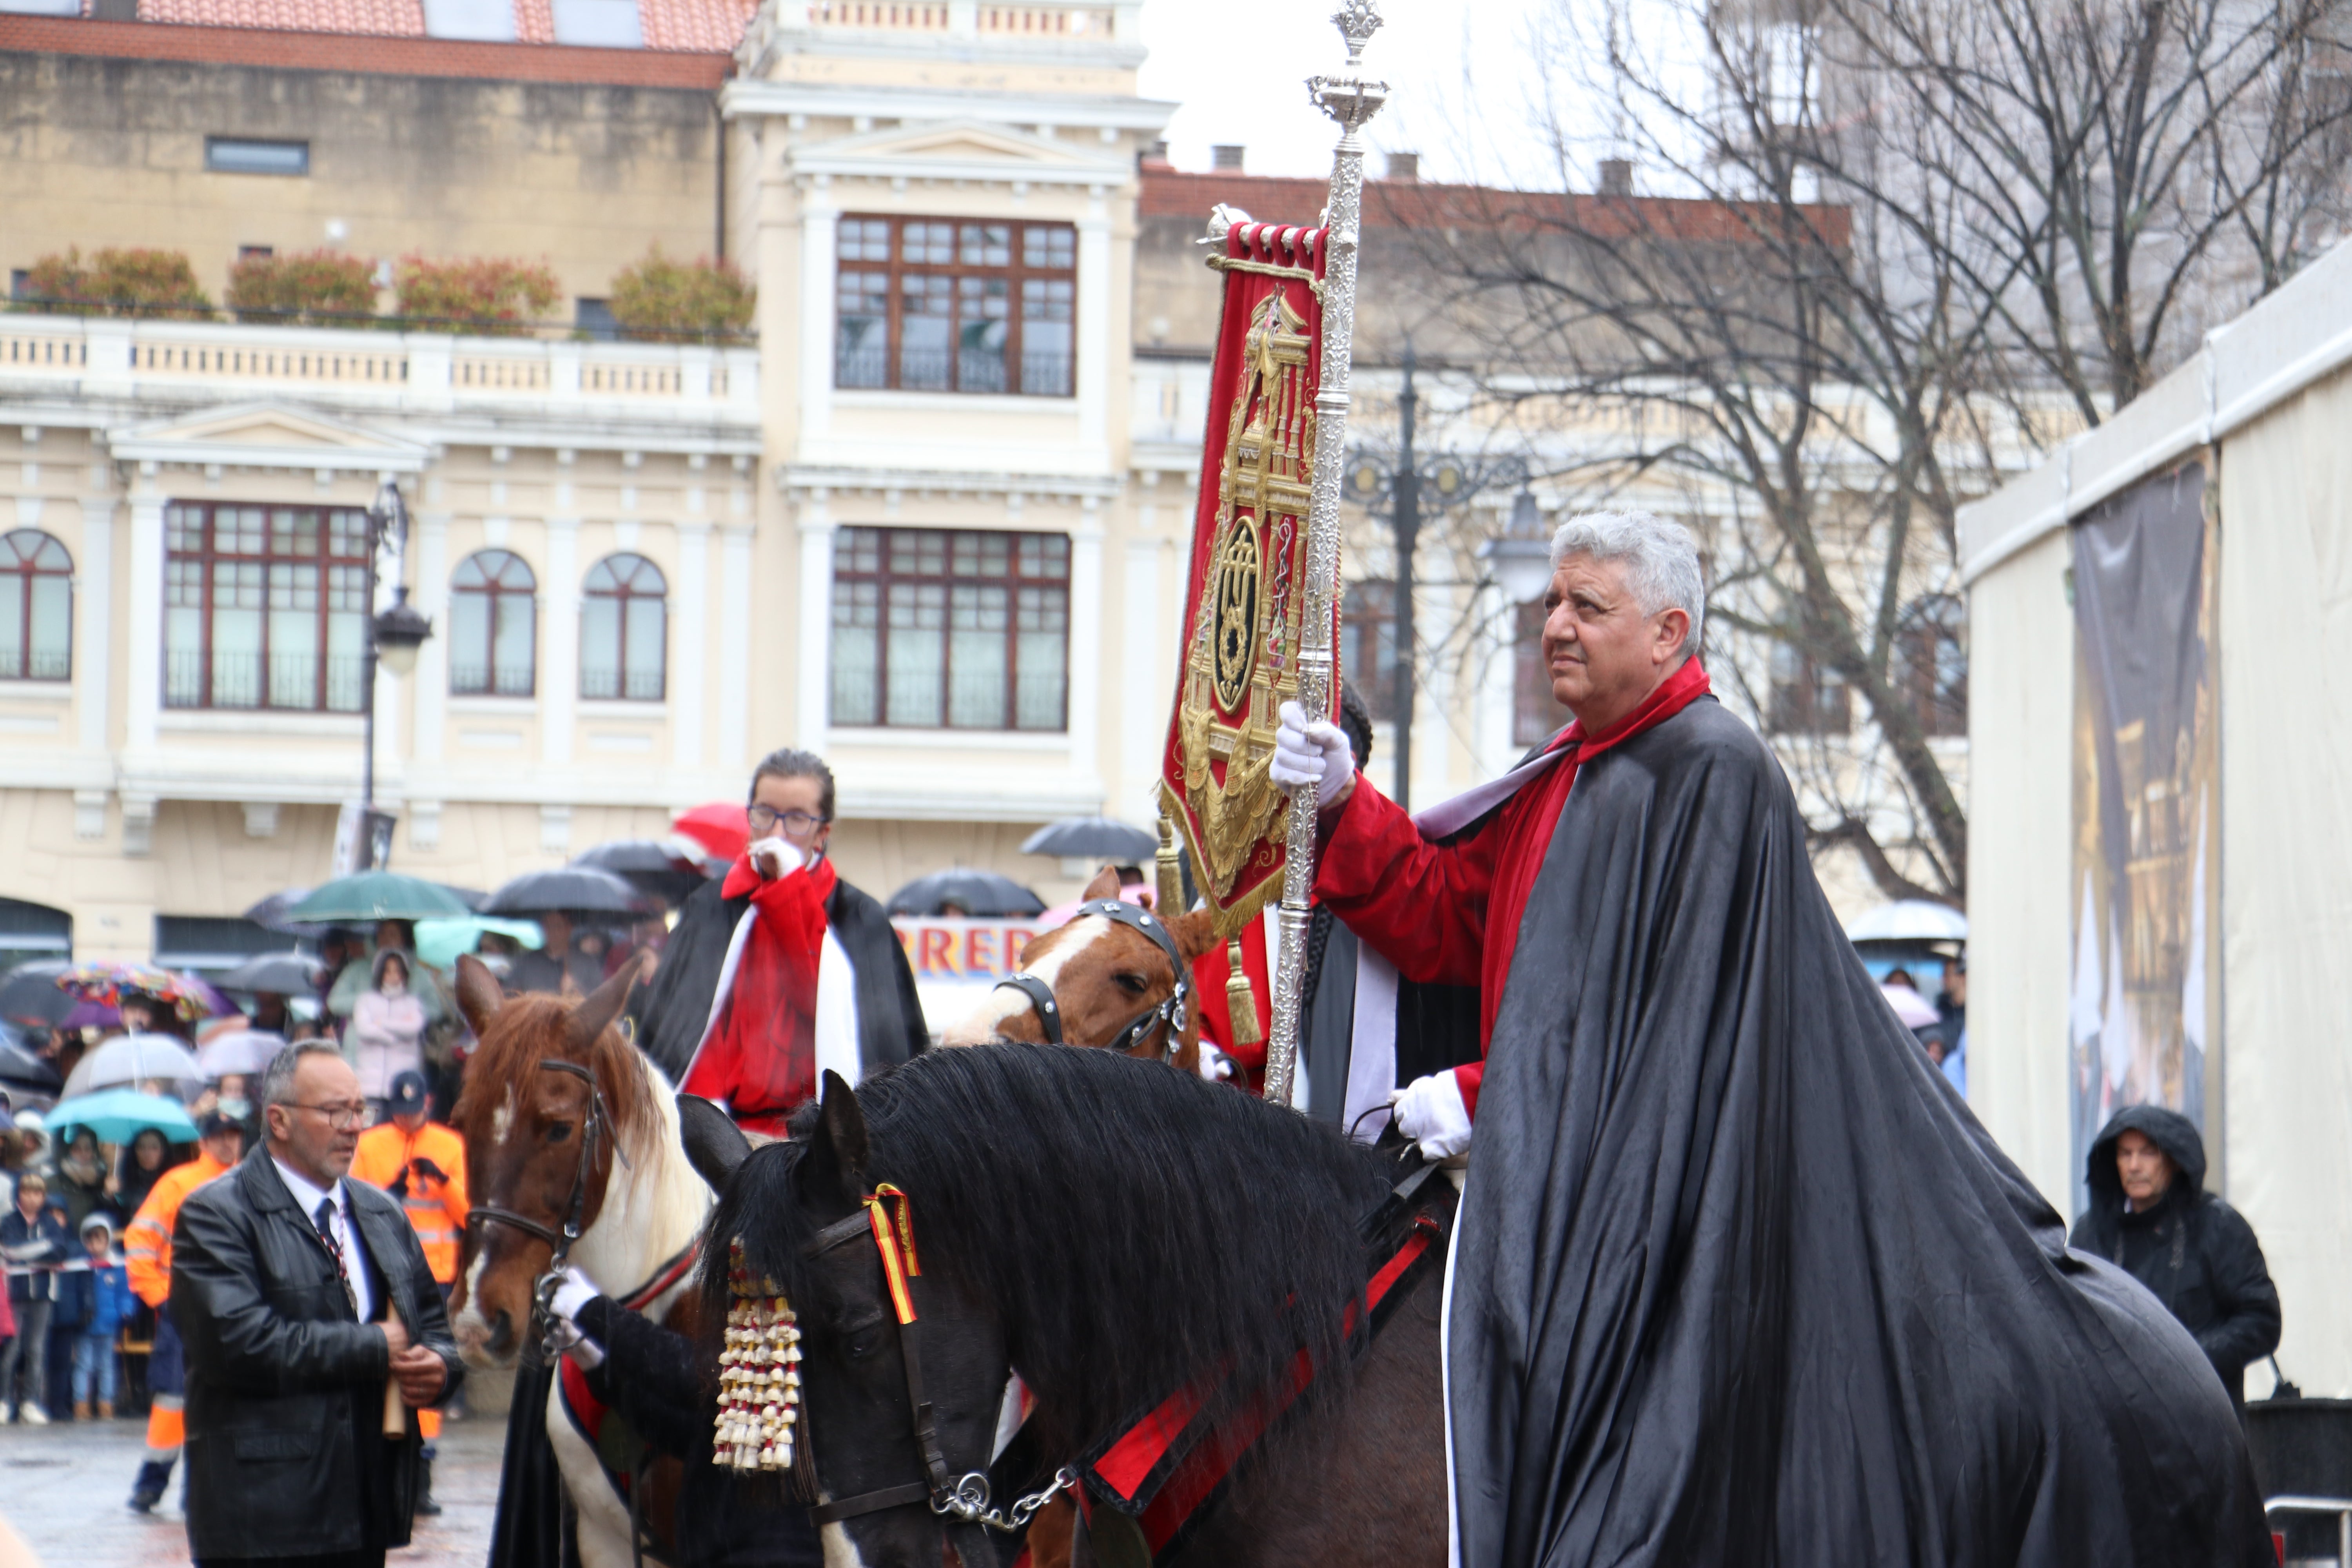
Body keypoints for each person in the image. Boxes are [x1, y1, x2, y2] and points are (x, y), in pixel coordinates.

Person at [1270, 508, 2269, 1563]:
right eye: (1552, 602)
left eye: (1586, 606)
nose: (1555, 624)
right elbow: (1448, 915)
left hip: (1687, 1199)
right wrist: (1345, 802)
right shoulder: (1566, 774)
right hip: (1570, 1164)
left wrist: (1487, 1092)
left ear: (1668, 633)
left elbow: (1661, 1022)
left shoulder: (1714, 768)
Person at [172, 1042, 462, 1568]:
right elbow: (239, 1346)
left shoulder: (382, 1213)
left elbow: (434, 1330)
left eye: (359, 1110)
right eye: (335, 1111)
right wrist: (375, 1346)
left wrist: (440, 1368)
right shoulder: (215, 1214)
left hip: (366, 1509)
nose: (354, 1127)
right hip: (265, 1517)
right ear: (278, 1120)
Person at [635, 748, 926, 1134]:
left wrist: (787, 892)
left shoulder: (859, 918)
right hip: (713, 1135)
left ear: (823, 832)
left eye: (797, 820)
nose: (776, 833)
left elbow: (874, 1042)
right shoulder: (709, 907)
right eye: (766, 814)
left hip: (816, 1144)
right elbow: (666, 1034)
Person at [2070, 1106, 2281, 1413]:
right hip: (2118, 1427)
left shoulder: (2217, 1226)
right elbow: (2071, 1323)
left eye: (2147, 1154)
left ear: (2172, 1159)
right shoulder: (2092, 1234)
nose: (2134, 1166)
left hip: (2202, 1424)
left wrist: (2185, 1359)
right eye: (2125, 1154)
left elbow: (2263, 1321)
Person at [351, 1069, 470, 1509]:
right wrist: (391, 1192)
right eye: (399, 1113)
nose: (406, 1120)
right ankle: (378, 1467)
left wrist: (443, 1182)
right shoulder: (369, 1143)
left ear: (428, 1102)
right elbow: (355, 1201)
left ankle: (422, 1473)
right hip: (383, 1269)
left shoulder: (450, 1144)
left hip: (435, 1275)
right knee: (386, 1365)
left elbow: (468, 1215)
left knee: (429, 1364)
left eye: (414, 1111)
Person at [124, 1110, 245, 1514]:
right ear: (204, 1142)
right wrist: (161, 1296)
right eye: (220, 1136)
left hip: (237, 1309)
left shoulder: (253, 1184)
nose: (228, 1143)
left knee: (231, 1397)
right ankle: (153, 1481)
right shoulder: (178, 1183)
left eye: (234, 1135)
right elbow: (141, 1239)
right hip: (186, 1309)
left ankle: (208, 1487)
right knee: (175, 1397)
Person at [0, 1169, 67, 1424]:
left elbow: (60, 1251)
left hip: (43, 1293)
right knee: (12, 1349)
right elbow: (10, 1250)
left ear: (43, 1196)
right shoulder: (8, 1221)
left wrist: (28, 1252)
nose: (32, 1198)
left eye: (37, 1192)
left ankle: (30, 1401)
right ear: (19, 1194)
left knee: (36, 1349)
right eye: (27, 1192)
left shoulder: (50, 1223)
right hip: (15, 1294)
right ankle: (4, 1401)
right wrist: (43, 1248)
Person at [58, 1213, 134, 1420]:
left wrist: (126, 1311)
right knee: (84, 1365)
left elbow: (126, 1292)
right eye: (90, 1239)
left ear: (108, 1240)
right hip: (86, 1325)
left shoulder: (117, 1266)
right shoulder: (81, 1265)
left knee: (107, 1366)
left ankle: (106, 1403)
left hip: (109, 1326)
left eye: (99, 1238)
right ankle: (81, 1403)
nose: (94, 1244)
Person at [349, 951, 428, 1118]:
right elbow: (364, 1029)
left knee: (396, 1132)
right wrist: (393, 1036)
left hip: (401, 1087)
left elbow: (414, 1027)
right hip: (369, 1085)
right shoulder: (366, 1000)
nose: (393, 976)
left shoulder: (412, 1003)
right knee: (366, 1130)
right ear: (380, 974)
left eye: (398, 971)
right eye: (388, 971)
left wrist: (382, 1023)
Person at [52, 1127, 115, 1232]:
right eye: (77, 1149)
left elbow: (107, 1218)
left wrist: (107, 1196)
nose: (83, 1153)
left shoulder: (102, 1181)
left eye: (88, 1148)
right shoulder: (53, 1183)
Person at [116, 1128, 171, 1225]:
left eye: (154, 1148)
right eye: (141, 1147)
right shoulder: (124, 1182)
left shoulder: (172, 1183)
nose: (147, 1154)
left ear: (163, 1152)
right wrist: (108, 1196)